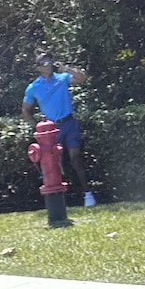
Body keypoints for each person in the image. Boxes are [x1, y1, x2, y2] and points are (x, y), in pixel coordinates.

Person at [21, 51, 96, 207]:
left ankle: (88, 194)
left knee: (75, 158)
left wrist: (66, 69)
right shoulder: (33, 87)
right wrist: (38, 128)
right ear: (38, 68)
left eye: (49, 62)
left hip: (69, 123)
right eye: (44, 63)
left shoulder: (62, 78)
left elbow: (82, 78)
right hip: (51, 130)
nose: (48, 66)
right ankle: (61, 200)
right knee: (55, 164)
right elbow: (25, 110)